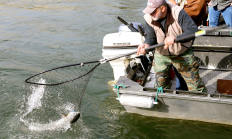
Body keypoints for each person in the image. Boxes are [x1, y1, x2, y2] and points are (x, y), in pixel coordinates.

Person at [137, 0, 206, 92]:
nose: (150, 14)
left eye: (153, 12)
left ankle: (201, 103)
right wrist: (146, 44)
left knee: (195, 85)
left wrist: (176, 38)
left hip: (182, 52)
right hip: (161, 54)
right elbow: (151, 38)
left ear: (162, 8)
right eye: (149, 12)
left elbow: (193, 30)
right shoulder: (149, 18)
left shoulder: (178, 12)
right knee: (160, 86)